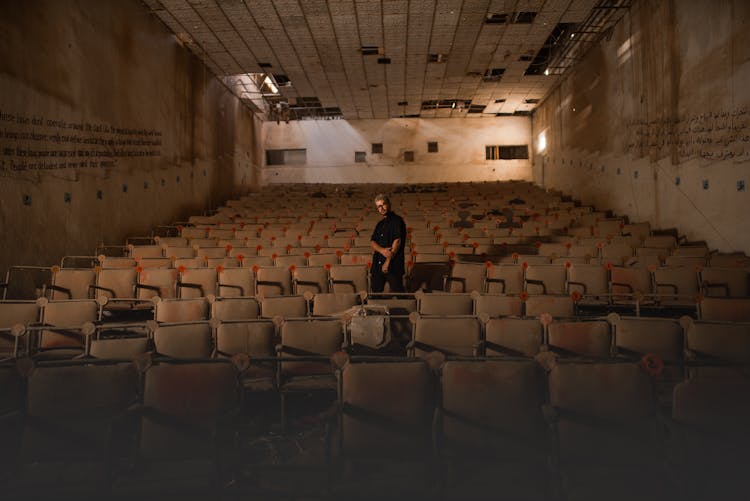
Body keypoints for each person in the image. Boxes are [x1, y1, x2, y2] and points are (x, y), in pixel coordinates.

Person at [370, 194, 406, 293]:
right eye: (378, 206)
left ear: (389, 204)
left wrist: (387, 261)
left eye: (383, 205)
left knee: (398, 294)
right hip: (377, 265)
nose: (381, 208)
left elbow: (397, 241)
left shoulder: (397, 220)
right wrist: (382, 250)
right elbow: (372, 242)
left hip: (393, 265)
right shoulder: (380, 224)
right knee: (375, 293)